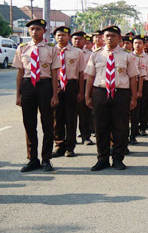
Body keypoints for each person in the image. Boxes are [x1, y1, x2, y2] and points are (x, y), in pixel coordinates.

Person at [84, 25, 138, 171]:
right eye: (107, 36)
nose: (109, 38)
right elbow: (90, 76)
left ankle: (118, 158)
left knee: (120, 127)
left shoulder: (127, 55)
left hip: (121, 94)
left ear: (119, 38)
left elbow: (133, 77)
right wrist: (87, 95)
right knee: (101, 127)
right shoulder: (96, 55)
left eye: (113, 36)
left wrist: (134, 98)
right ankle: (102, 158)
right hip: (101, 93)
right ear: (102, 38)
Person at [14, 19, 60, 172]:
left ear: (44, 31)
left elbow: (55, 73)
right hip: (28, 86)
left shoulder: (52, 49)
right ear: (28, 31)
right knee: (29, 124)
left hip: (44, 85)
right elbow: (20, 73)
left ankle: (46, 159)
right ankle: (32, 158)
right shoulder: (22, 48)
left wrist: (55, 94)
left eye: (38, 29)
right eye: (32, 29)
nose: (35, 32)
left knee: (47, 124)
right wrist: (18, 95)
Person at [52, 26, 84, 158]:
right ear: (55, 37)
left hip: (71, 85)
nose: (61, 37)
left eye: (64, 35)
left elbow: (81, 73)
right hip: (56, 85)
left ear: (69, 37)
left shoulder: (77, 52)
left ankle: (70, 146)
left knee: (71, 117)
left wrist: (81, 91)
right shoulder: (51, 51)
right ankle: (59, 145)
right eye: (58, 35)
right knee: (57, 117)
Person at [129, 35, 148, 144]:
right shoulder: (129, 57)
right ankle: (133, 131)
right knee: (133, 109)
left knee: (144, 107)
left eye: (140, 43)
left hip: (144, 83)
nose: (137, 45)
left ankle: (143, 127)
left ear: (144, 45)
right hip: (131, 83)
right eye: (135, 43)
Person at [71, 31, 94, 145]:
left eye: (80, 39)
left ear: (85, 41)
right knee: (70, 113)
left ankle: (86, 136)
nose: (77, 41)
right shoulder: (65, 52)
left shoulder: (90, 54)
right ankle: (70, 138)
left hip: (85, 83)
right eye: (75, 39)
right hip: (70, 83)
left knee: (85, 112)